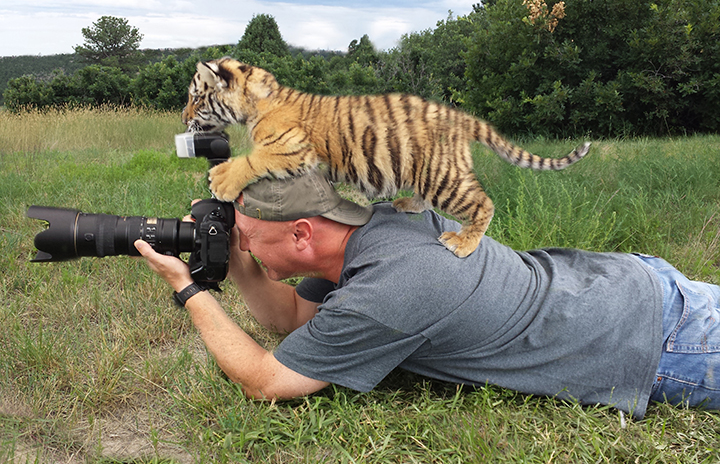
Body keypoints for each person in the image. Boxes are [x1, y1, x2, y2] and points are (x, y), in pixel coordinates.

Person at [135, 171, 720, 418]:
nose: (249, 248)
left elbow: (268, 381)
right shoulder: (373, 229)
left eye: (253, 239)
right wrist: (239, 267)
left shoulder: (395, 286)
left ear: (304, 234)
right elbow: (292, 316)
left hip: (660, 342)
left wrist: (188, 289)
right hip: (629, 284)